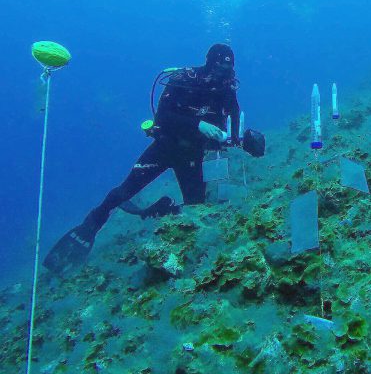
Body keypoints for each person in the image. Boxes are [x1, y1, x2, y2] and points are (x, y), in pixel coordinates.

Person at [44, 43, 265, 274]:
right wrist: (197, 124)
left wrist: (245, 140)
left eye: (227, 70)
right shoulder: (183, 80)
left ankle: (161, 210)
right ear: (209, 63)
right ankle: (92, 222)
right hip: (165, 147)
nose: (221, 75)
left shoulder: (227, 89)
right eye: (219, 68)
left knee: (196, 208)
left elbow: (233, 123)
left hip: (192, 156)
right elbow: (163, 116)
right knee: (124, 192)